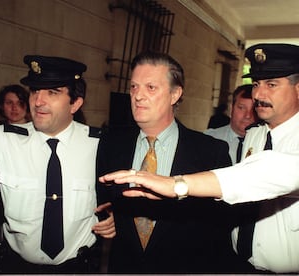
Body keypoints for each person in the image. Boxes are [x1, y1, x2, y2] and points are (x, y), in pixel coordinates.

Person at [99, 44, 299, 273]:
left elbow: (276, 174)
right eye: (256, 84)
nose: (259, 94)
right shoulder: (254, 135)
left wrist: (178, 184)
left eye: (271, 84)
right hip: (241, 266)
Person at [0, 55, 114, 273]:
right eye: (35, 91)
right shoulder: (5, 140)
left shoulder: (100, 145)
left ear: (75, 103)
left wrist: (117, 217)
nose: (38, 101)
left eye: (52, 92)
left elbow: (131, 191)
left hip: (78, 267)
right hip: (17, 267)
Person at [96, 51, 234, 273]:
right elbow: (104, 200)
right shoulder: (111, 145)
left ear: (175, 94)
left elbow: (219, 229)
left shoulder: (211, 152)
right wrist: (111, 216)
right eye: (133, 87)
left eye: (150, 87)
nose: (137, 96)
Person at [204, 84, 258, 163]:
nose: (248, 115)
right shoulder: (211, 138)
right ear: (231, 108)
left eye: (253, 110)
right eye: (241, 108)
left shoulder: (265, 141)